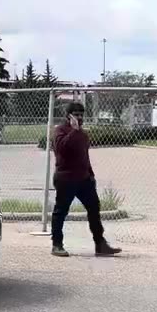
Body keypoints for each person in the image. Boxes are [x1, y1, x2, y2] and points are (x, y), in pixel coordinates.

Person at [50, 102, 122, 258]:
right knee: (61, 211)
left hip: (84, 180)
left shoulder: (82, 134)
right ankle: (57, 245)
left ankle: (100, 244)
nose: (80, 117)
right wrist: (74, 131)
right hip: (66, 179)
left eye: (81, 114)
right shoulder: (60, 131)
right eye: (76, 114)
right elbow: (62, 149)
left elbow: (84, 156)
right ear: (68, 116)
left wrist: (91, 175)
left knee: (94, 208)